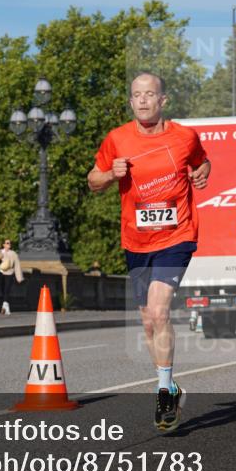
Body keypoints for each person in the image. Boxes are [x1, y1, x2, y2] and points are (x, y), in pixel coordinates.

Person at [87, 71, 210, 432]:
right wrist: (110, 174)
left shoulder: (184, 136)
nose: (143, 100)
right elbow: (93, 180)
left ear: (163, 101)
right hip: (135, 241)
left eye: (149, 94)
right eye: (136, 95)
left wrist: (202, 173)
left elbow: (202, 161)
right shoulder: (117, 138)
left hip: (177, 235)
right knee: (147, 320)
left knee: (158, 311)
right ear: (131, 101)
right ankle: (170, 383)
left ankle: (163, 393)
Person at [0, 239, 24, 315]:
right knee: (2, 289)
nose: (9, 244)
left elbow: (17, 266)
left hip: (9, 273)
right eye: (7, 243)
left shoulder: (13, 254)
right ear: (4, 244)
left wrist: (19, 278)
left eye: (10, 243)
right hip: (0, 273)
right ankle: (6, 307)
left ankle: (4, 305)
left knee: (7, 290)